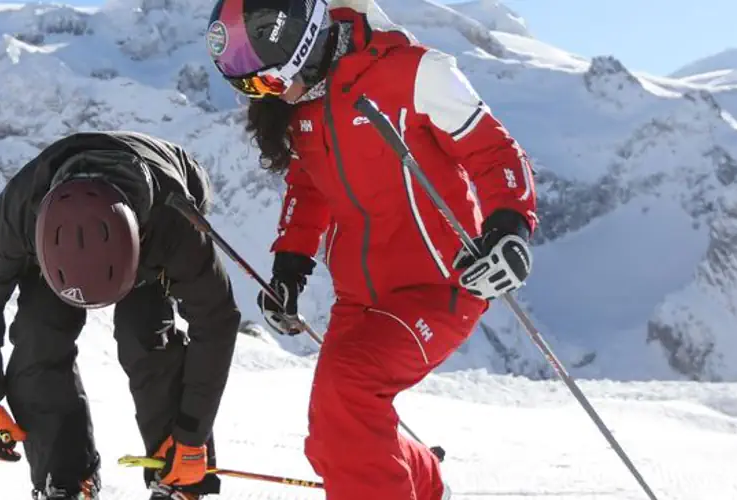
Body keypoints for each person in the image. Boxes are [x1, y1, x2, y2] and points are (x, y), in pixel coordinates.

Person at [203, 0, 540, 498]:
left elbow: (494, 151)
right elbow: (308, 184)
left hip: (439, 286)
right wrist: (291, 264)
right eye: (249, 87)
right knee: (332, 435)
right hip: (359, 297)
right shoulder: (302, 105)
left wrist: (509, 226)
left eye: (268, 81)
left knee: (348, 398)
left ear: (303, 47)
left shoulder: (414, 73)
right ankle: (425, 482)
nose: (266, 96)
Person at [0, 131, 244, 500]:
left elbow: (215, 322)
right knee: (36, 335)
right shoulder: (15, 218)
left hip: (156, 209)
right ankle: (63, 478)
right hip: (63, 249)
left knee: (144, 336)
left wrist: (191, 436)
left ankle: (179, 475)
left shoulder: (175, 226)